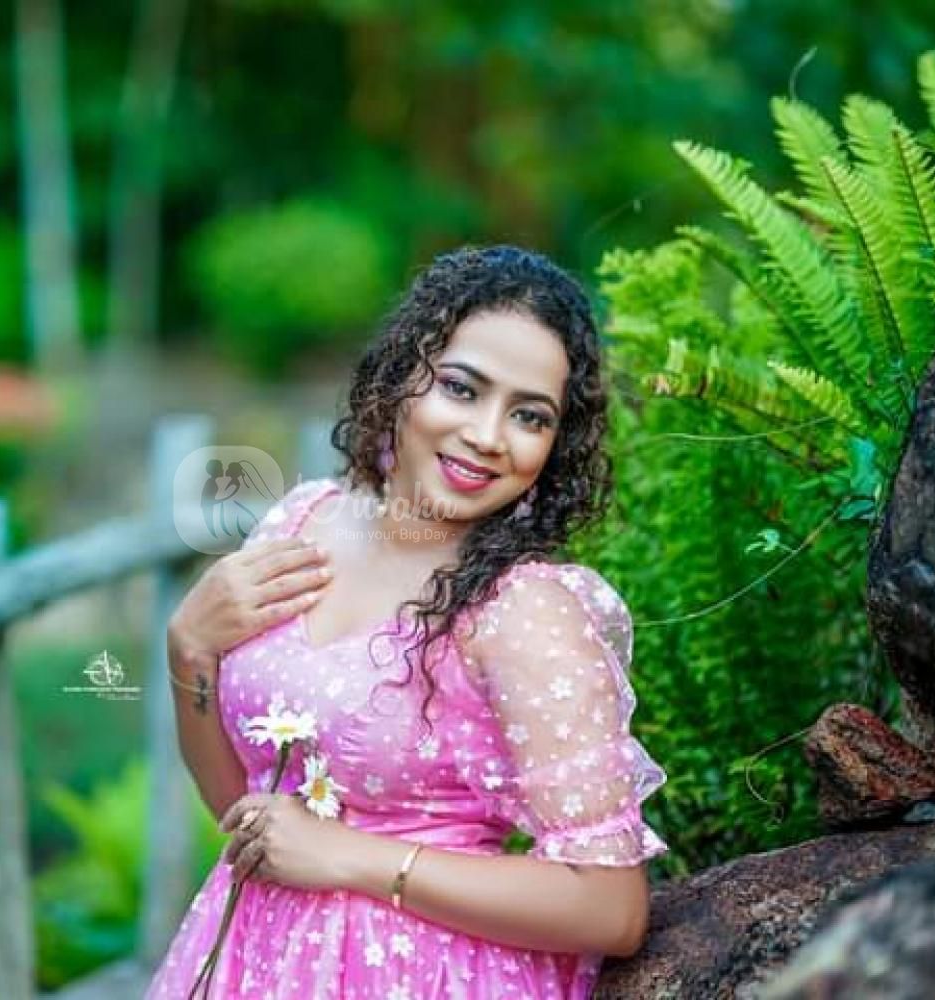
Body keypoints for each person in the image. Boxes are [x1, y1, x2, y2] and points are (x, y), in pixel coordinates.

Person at [148, 245, 667, 998]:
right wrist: (189, 653)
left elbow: (611, 908)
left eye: (529, 416)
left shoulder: (522, 610)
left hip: (423, 972)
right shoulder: (304, 522)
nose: (488, 435)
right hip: (251, 955)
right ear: (401, 377)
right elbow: (246, 812)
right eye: (462, 388)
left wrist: (355, 859)